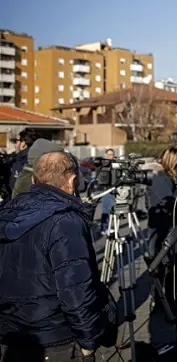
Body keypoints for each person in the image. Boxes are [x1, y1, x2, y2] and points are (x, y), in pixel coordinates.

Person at [0, 151, 117, 361]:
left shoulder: (7, 211)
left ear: (34, 180)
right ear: (72, 181)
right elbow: (76, 291)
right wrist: (88, 342)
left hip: (10, 337)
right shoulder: (65, 221)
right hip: (54, 340)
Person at [146, 146, 177, 313]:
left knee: (171, 267)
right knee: (165, 267)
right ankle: (165, 303)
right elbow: (168, 202)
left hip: (169, 227)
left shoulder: (167, 177)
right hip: (164, 229)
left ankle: (166, 301)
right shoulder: (160, 177)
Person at [8, 128, 38, 194]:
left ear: (23, 143)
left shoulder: (22, 159)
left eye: (16, 141)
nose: (15, 144)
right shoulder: (35, 157)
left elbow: (14, 184)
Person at [99, 149, 116, 234]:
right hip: (106, 190)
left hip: (114, 189)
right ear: (105, 155)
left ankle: (108, 227)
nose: (111, 156)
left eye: (112, 155)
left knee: (112, 210)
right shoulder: (103, 165)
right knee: (106, 210)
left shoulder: (115, 165)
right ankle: (104, 228)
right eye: (109, 155)